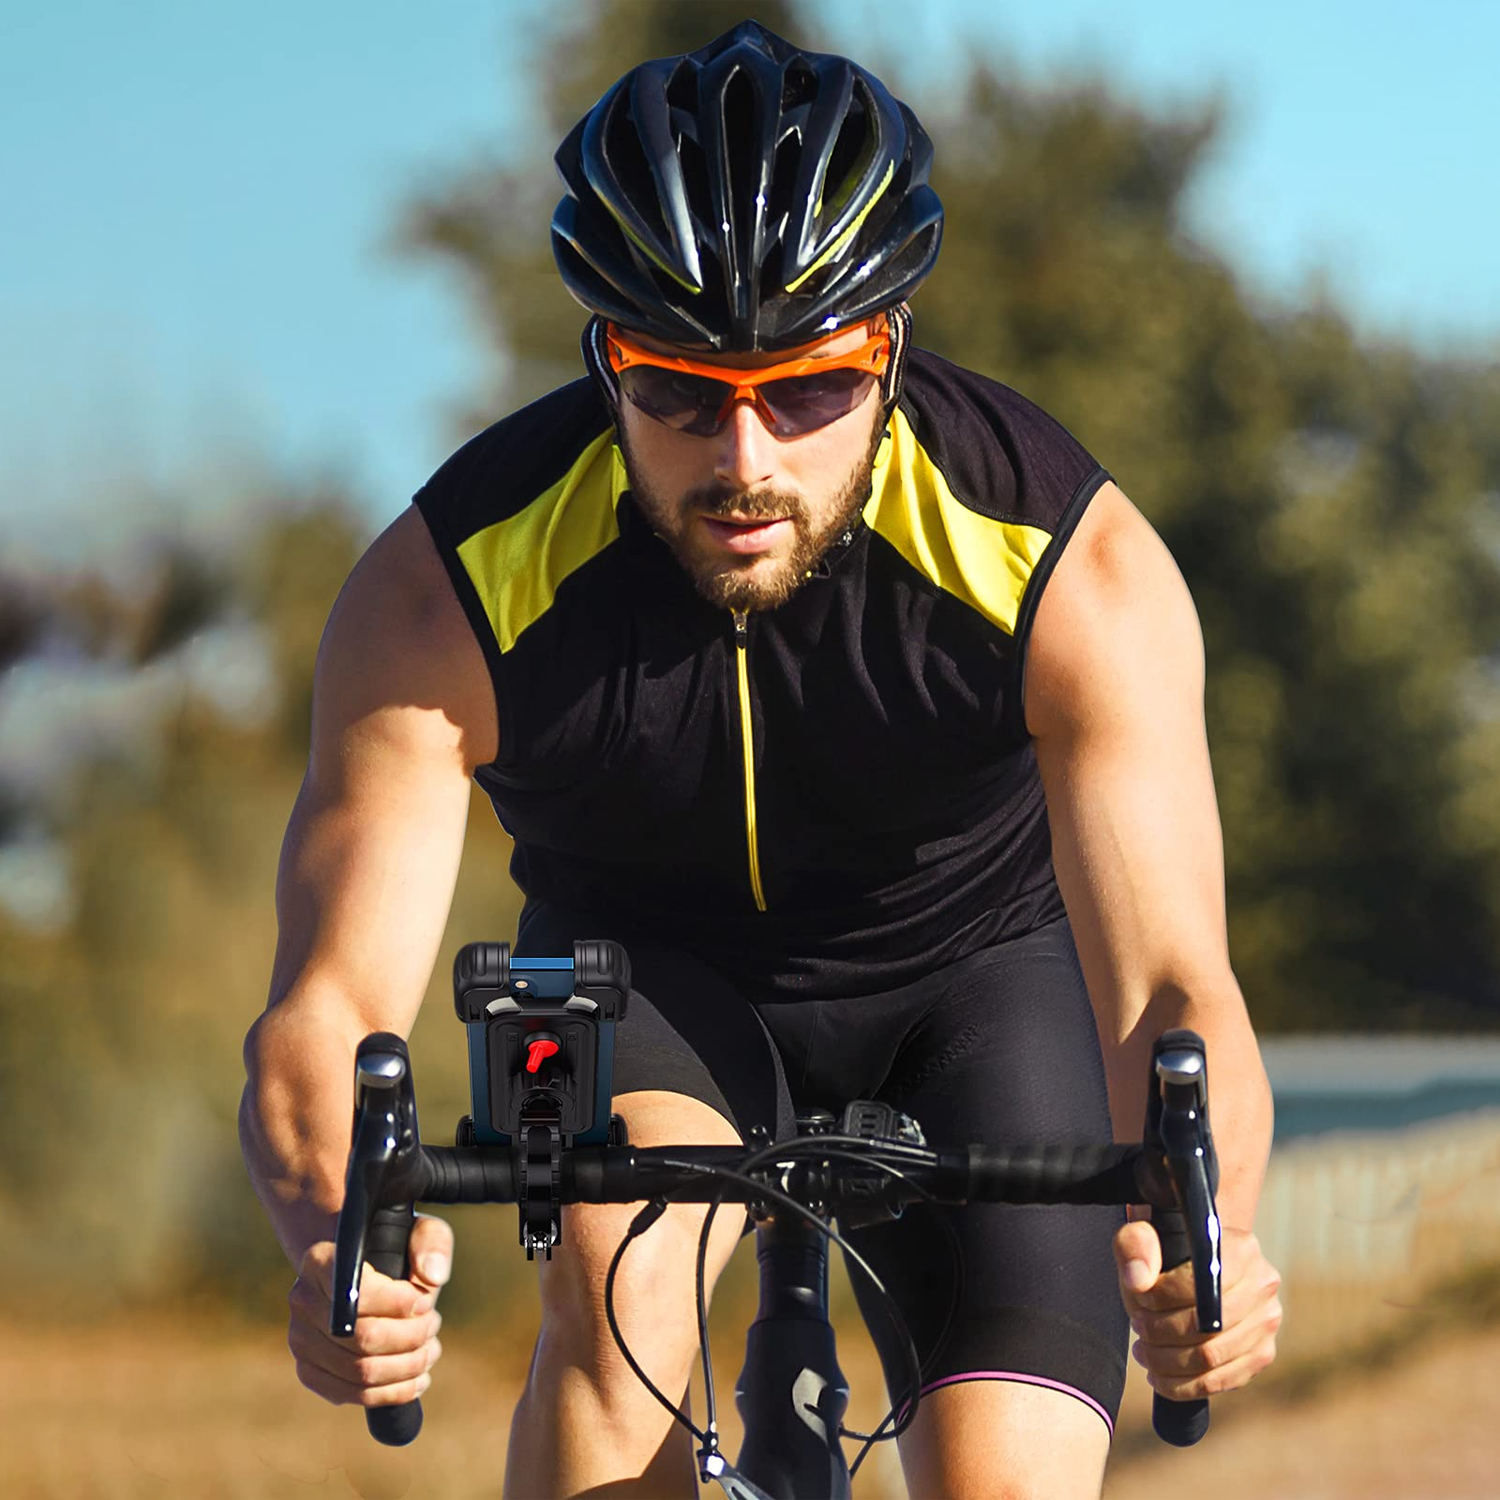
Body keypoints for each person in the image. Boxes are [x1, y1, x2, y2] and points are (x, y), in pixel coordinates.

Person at [240, 20, 1282, 1500]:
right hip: (650, 976)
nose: (745, 458)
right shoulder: (448, 590)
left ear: (891, 352)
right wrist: (343, 1240)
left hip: (974, 981)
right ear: (605, 355)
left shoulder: (1069, 565)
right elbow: (326, 1008)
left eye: (808, 391)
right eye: (677, 389)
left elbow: (1179, 993)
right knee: (616, 1279)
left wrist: (1208, 1238)